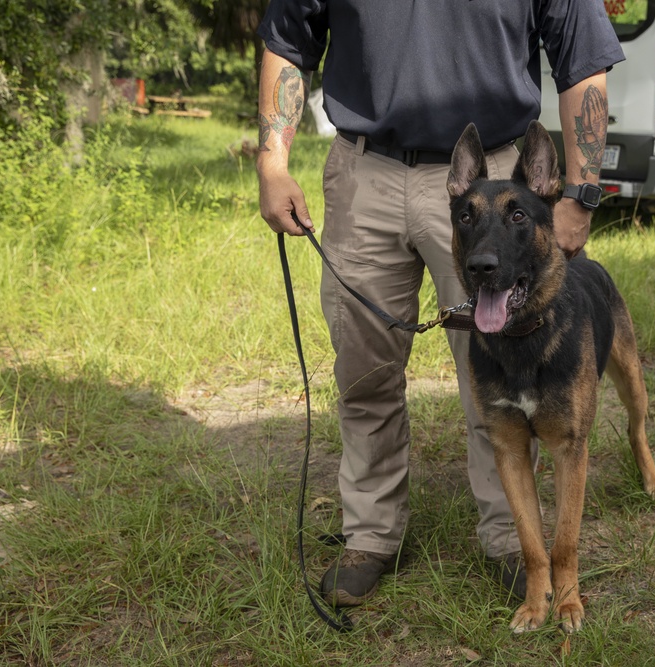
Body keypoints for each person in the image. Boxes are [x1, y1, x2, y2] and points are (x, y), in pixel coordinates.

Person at [256, 1, 623, 607]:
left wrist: (579, 194)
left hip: (495, 183)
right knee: (363, 368)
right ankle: (371, 535)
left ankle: (512, 540)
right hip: (365, 172)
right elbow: (288, 39)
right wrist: (272, 161)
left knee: (509, 366)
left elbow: (581, 52)